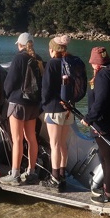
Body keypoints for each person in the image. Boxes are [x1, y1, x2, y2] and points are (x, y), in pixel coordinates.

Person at [80, 46, 110, 203]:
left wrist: (89, 118)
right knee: (105, 156)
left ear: (95, 62)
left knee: (109, 158)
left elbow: (101, 101)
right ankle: (107, 188)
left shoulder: (103, 76)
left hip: (106, 124)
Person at [0, 33, 44, 186]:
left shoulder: (19, 58)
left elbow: (10, 82)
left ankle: (15, 174)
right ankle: (31, 172)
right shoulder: (37, 58)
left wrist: (5, 94)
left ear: (20, 44)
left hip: (18, 103)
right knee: (31, 138)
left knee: (17, 139)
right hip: (33, 104)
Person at [40, 34, 73, 192]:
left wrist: (44, 104)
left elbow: (46, 89)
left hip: (54, 108)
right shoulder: (69, 63)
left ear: (53, 50)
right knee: (63, 144)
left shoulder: (52, 64)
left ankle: (54, 179)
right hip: (68, 109)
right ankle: (62, 175)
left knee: (54, 145)